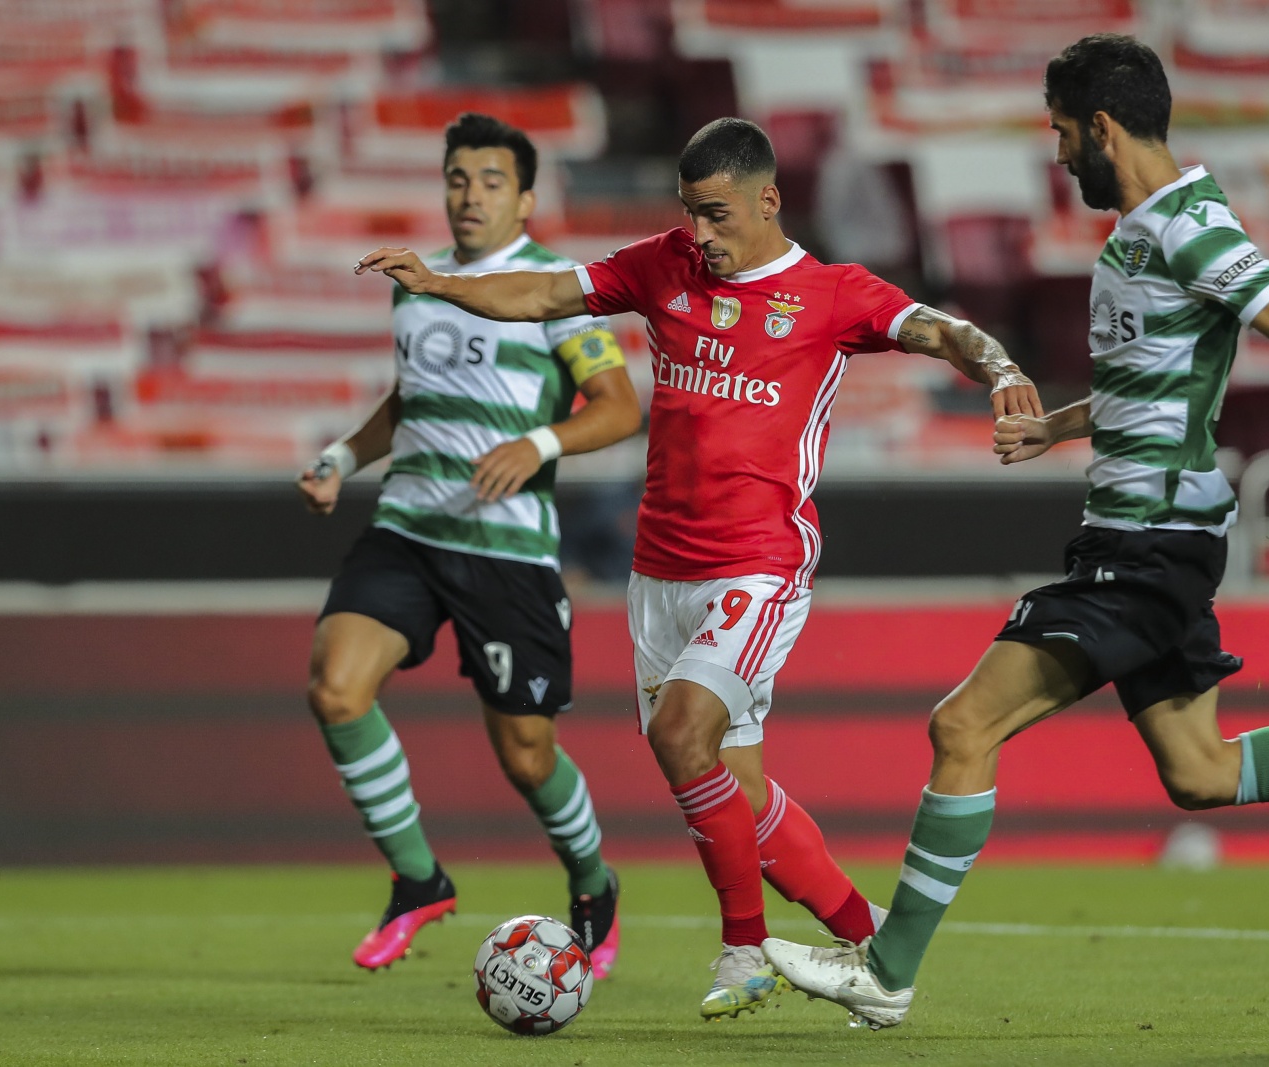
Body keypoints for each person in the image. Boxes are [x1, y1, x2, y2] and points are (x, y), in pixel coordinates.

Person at [760, 33, 1269, 1030]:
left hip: (1149, 542)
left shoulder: (1189, 228)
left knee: (962, 723)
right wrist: (1059, 425)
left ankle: (888, 968)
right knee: (1199, 772)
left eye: (1059, 134)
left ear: (1101, 128)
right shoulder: (1147, 233)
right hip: (1140, 535)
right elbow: (1159, 385)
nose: (1057, 156)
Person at [355, 116, 1044, 1019]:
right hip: (658, 576)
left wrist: (999, 367)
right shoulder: (662, 264)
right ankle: (868, 945)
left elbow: (943, 330)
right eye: (690, 215)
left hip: (756, 568)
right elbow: (542, 295)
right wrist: (444, 283)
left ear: (768, 200)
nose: (703, 235)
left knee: (685, 739)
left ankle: (741, 949)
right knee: (738, 799)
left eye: (717, 215)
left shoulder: (831, 294)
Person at [298, 112, 642, 977]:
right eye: (457, 178)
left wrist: (540, 444)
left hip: (505, 547)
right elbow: (408, 400)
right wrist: (342, 456)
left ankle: (594, 883)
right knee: (336, 687)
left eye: (491, 180)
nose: (470, 195)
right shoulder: (415, 281)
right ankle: (419, 879)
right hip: (408, 527)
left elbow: (619, 405)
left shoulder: (561, 289)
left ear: (525, 197)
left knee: (526, 755)